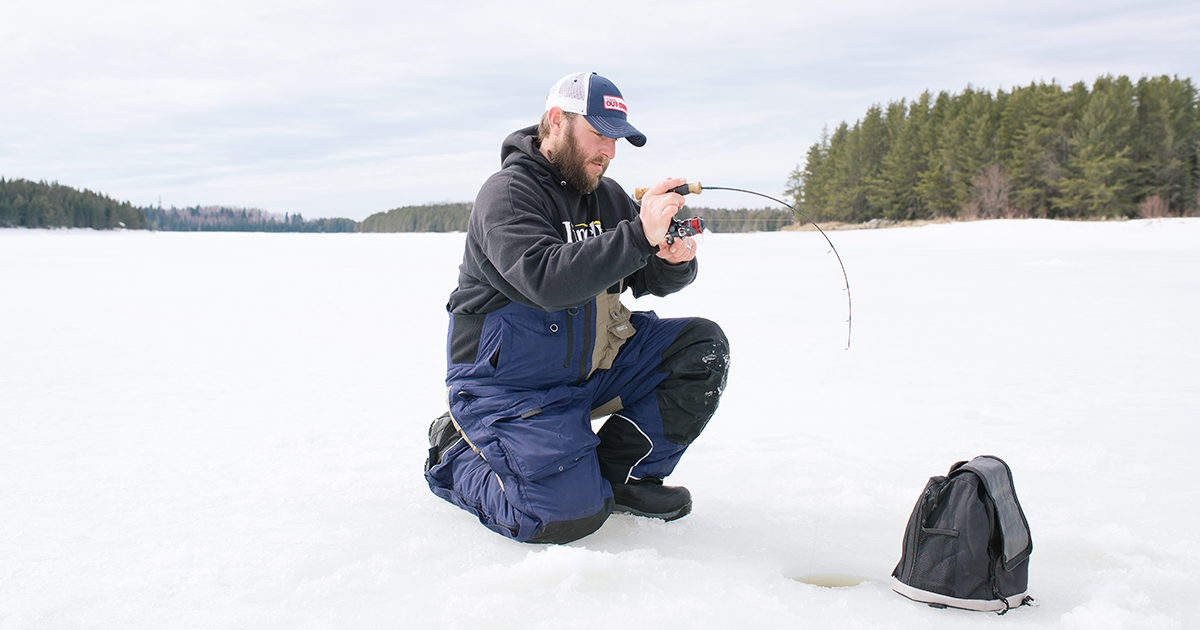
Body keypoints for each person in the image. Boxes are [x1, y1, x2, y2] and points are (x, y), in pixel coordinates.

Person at [424, 72, 729, 544]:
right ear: (556, 121)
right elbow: (544, 279)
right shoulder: (507, 195)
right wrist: (636, 236)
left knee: (701, 348)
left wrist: (671, 259)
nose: (609, 151)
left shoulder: (606, 196)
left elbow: (644, 277)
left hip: (590, 370)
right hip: (509, 389)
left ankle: (621, 476)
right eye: (599, 134)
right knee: (560, 517)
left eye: (617, 139)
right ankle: (455, 452)